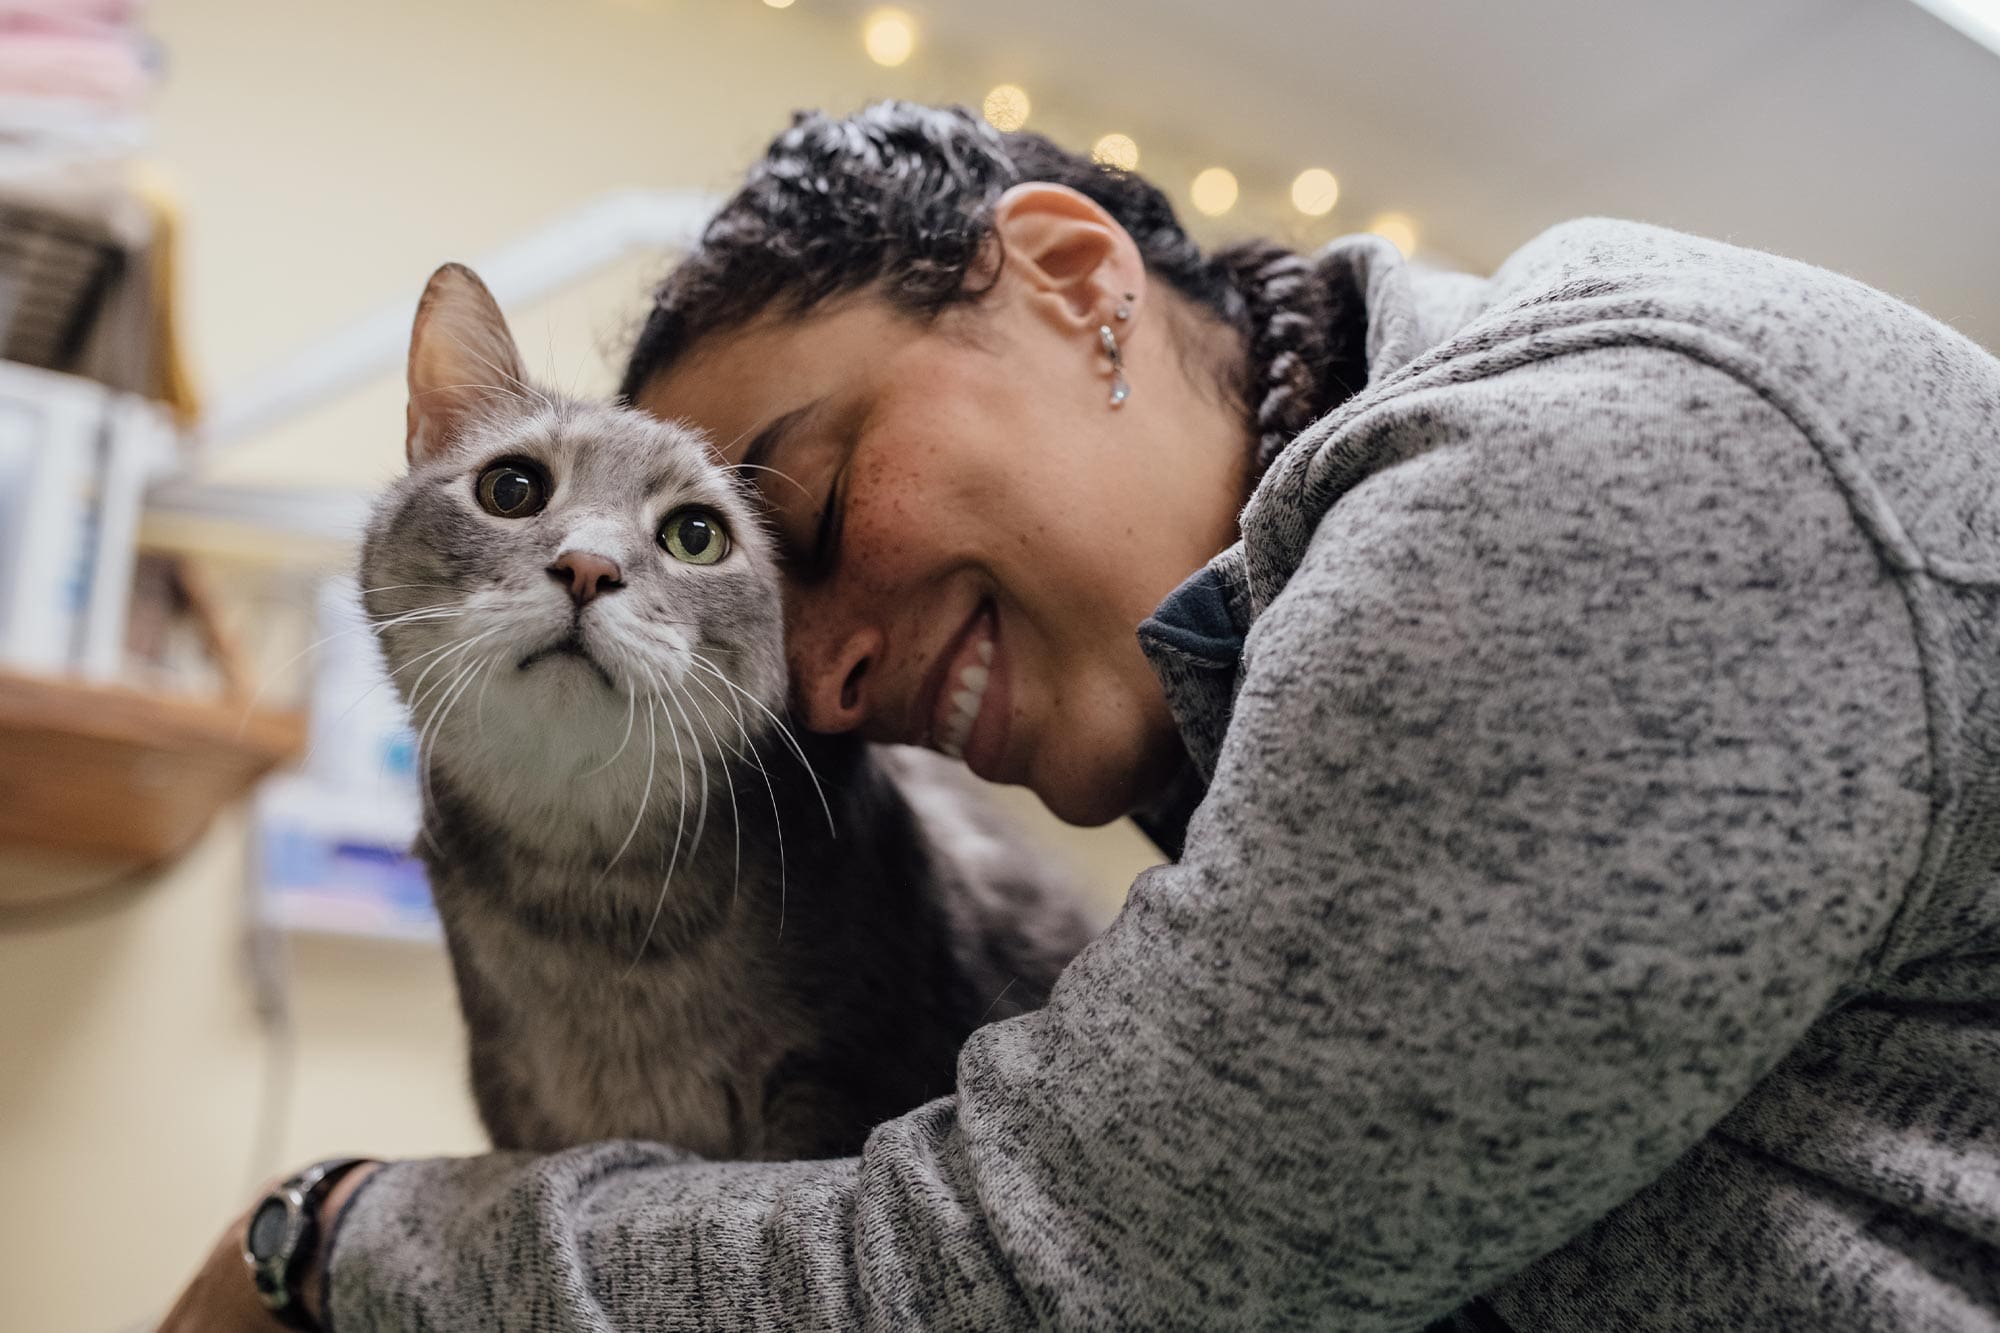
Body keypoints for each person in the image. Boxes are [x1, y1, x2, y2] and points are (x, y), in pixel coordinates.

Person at [164, 101, 2000, 1331]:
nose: (822, 683)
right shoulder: (1271, 684)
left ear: (1066, 279)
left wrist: (333, 1235)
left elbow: (1041, 1277)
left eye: (799, 512)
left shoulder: (1568, 478)